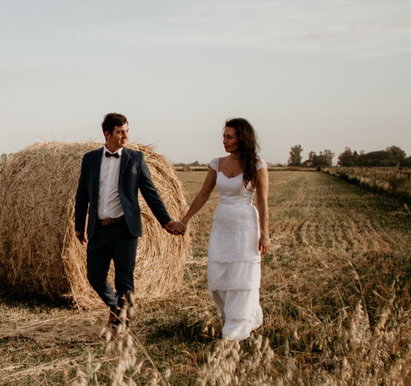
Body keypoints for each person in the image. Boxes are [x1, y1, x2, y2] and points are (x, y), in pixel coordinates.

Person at [75, 113, 185, 327]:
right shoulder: (90, 159)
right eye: (120, 132)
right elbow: (82, 194)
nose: (125, 135)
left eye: (127, 131)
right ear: (107, 134)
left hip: (125, 228)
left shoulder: (136, 158)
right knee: (94, 277)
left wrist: (165, 221)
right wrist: (80, 226)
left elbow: (150, 192)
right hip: (98, 228)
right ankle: (117, 306)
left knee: (124, 279)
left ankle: (121, 322)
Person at [178, 117, 270, 341]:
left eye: (229, 137)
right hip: (222, 225)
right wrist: (184, 220)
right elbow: (203, 195)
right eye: (224, 136)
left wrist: (265, 234)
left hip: (246, 226)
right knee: (219, 273)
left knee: (242, 274)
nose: (225, 141)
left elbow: (262, 202)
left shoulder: (257, 165)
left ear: (242, 138)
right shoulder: (216, 163)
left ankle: (235, 328)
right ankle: (235, 316)